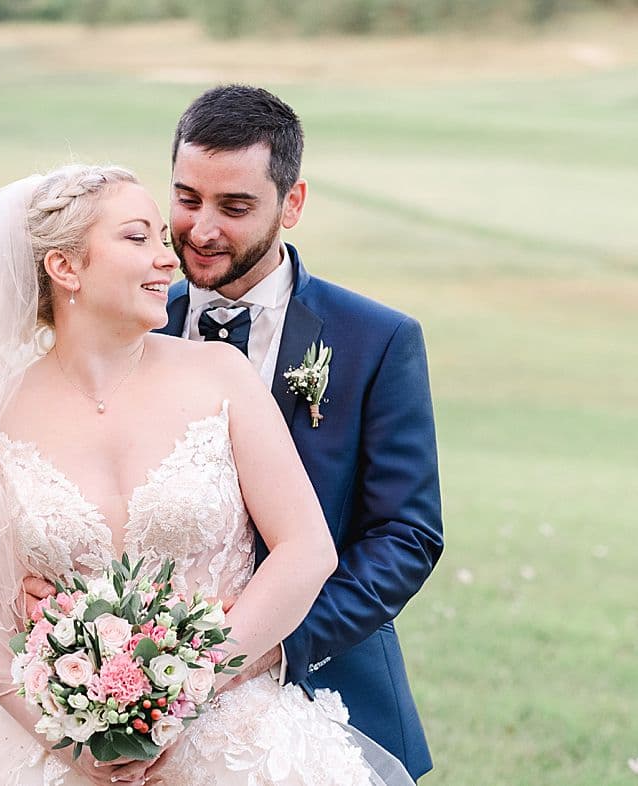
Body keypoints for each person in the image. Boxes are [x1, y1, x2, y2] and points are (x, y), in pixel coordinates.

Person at [0, 164, 416, 785]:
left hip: (231, 734)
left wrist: (184, 697)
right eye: (136, 238)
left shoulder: (220, 373)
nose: (167, 258)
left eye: (157, 238)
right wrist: (75, 747)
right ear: (65, 267)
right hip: (53, 747)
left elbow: (306, 547)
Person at [155, 85, 444, 780]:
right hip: (153, 687)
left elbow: (407, 535)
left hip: (325, 686)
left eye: (234, 206)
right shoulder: (131, 326)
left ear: (293, 203)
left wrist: (273, 645)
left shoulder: (377, 340)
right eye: (188, 198)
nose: (201, 229)